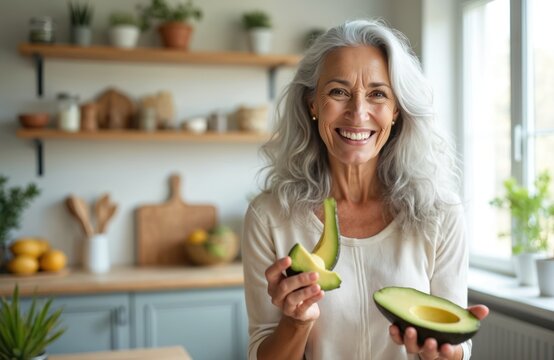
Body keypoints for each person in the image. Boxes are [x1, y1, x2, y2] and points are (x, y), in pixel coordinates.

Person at [241, 19, 489, 360]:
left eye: (377, 94)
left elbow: (457, 348)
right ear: (313, 103)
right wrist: (296, 322)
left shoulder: (441, 212)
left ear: (396, 110)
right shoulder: (268, 215)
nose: (358, 113)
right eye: (338, 92)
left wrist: (444, 354)